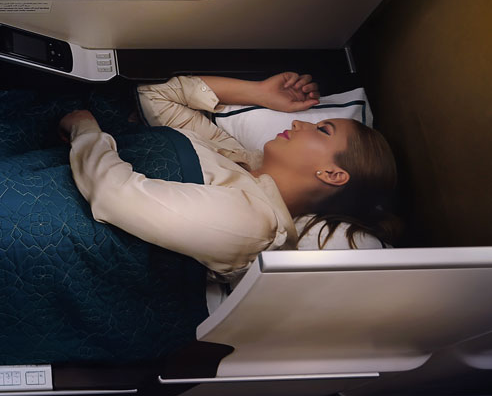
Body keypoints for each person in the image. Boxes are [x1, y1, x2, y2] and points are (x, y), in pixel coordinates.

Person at [59, 73, 399, 279]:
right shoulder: (239, 157)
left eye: (322, 130)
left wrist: (84, 129)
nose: (299, 123)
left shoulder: (252, 223)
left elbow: (114, 195)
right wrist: (259, 92)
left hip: (67, 216)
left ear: (332, 174)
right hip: (72, 166)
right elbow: (155, 95)